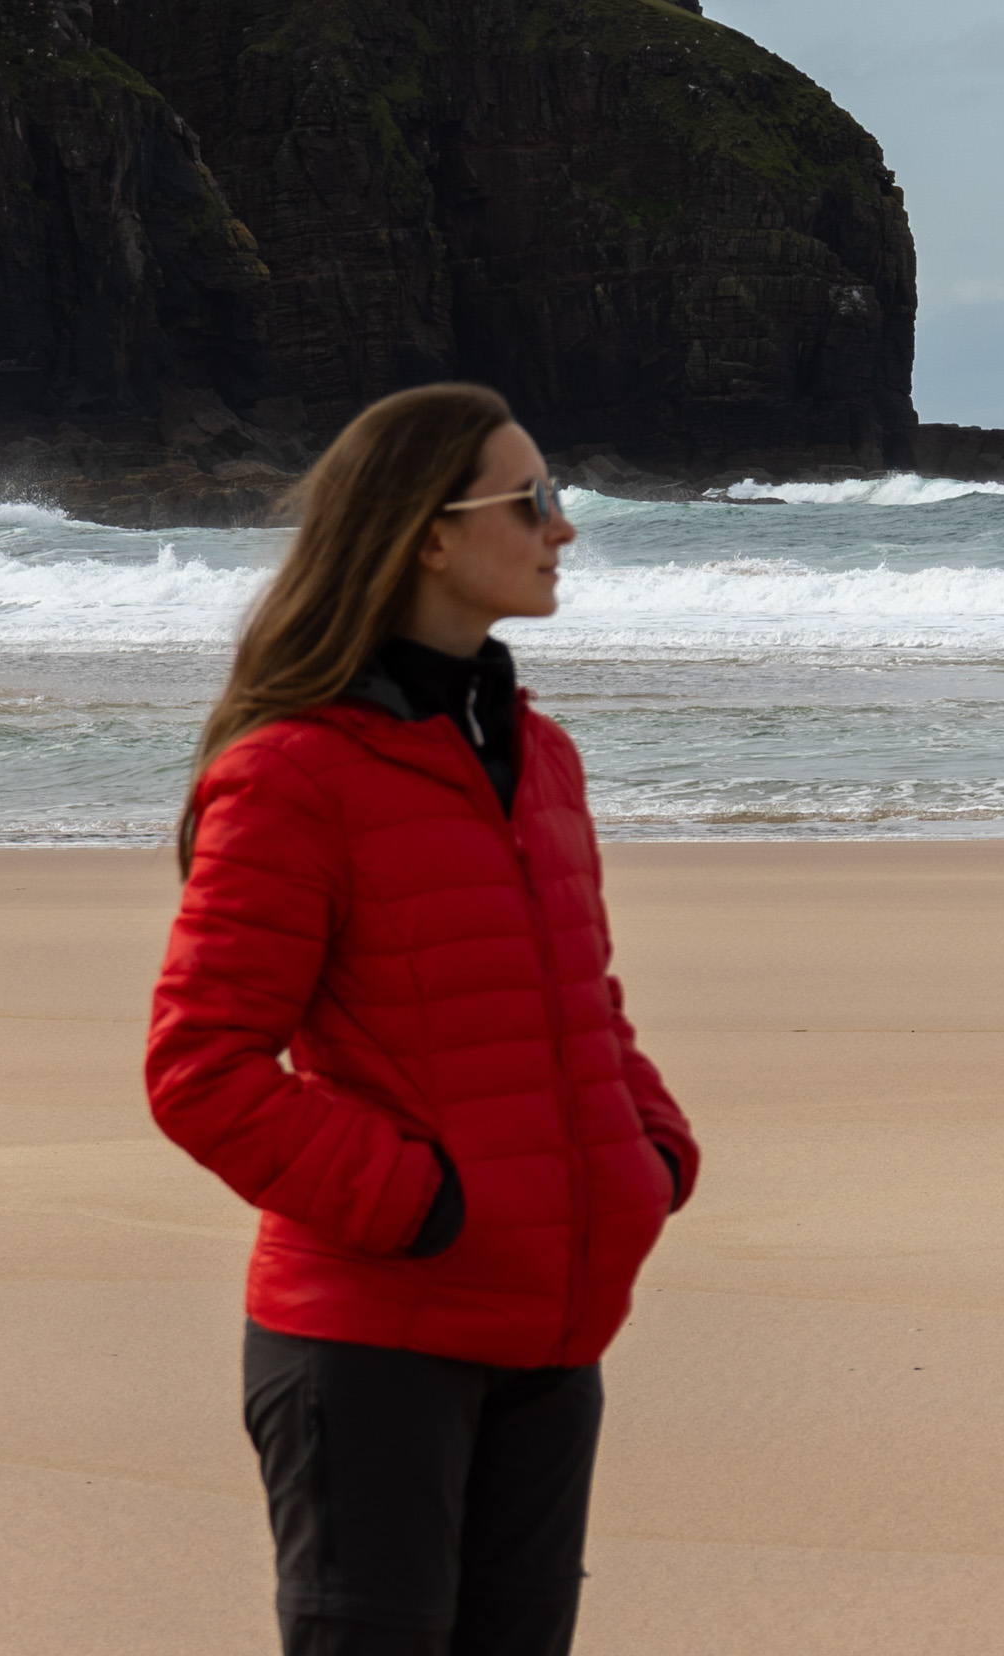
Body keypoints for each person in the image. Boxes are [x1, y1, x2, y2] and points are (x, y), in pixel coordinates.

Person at [145, 383, 699, 1656]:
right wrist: (426, 1209)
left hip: (553, 1334)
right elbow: (202, 1069)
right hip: (374, 1344)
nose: (564, 529)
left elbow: (585, 1006)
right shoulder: (295, 774)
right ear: (429, 535)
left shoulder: (540, 756)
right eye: (534, 501)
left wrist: (648, 1157)